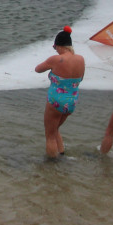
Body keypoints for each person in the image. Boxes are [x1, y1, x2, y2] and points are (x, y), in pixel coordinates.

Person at [34, 26, 85, 158]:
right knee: (55, 128)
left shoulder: (56, 59)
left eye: (55, 47)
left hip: (56, 100)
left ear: (59, 45)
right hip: (72, 101)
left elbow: (37, 69)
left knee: (49, 135)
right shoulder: (80, 59)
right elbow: (81, 78)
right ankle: (61, 154)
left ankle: (51, 167)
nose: (55, 50)